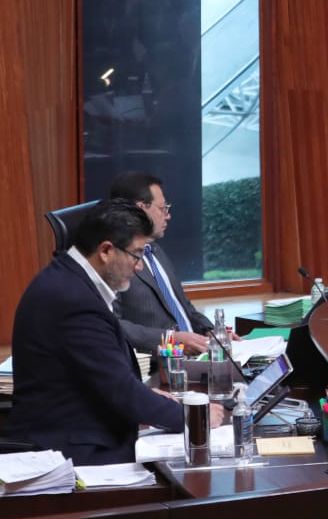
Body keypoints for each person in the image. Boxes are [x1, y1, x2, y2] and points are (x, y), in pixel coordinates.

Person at [6, 200, 225, 465]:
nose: (140, 266)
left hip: (82, 431)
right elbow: (121, 392)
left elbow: (102, 375)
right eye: (136, 254)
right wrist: (193, 416)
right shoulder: (74, 300)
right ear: (106, 250)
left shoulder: (67, 279)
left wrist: (151, 398)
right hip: (73, 454)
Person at [109, 171, 222, 354]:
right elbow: (113, 325)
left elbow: (183, 306)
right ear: (141, 208)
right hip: (161, 363)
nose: (168, 216)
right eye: (163, 209)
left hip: (197, 354)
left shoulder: (155, 250)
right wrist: (172, 339)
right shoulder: (115, 260)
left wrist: (212, 333)